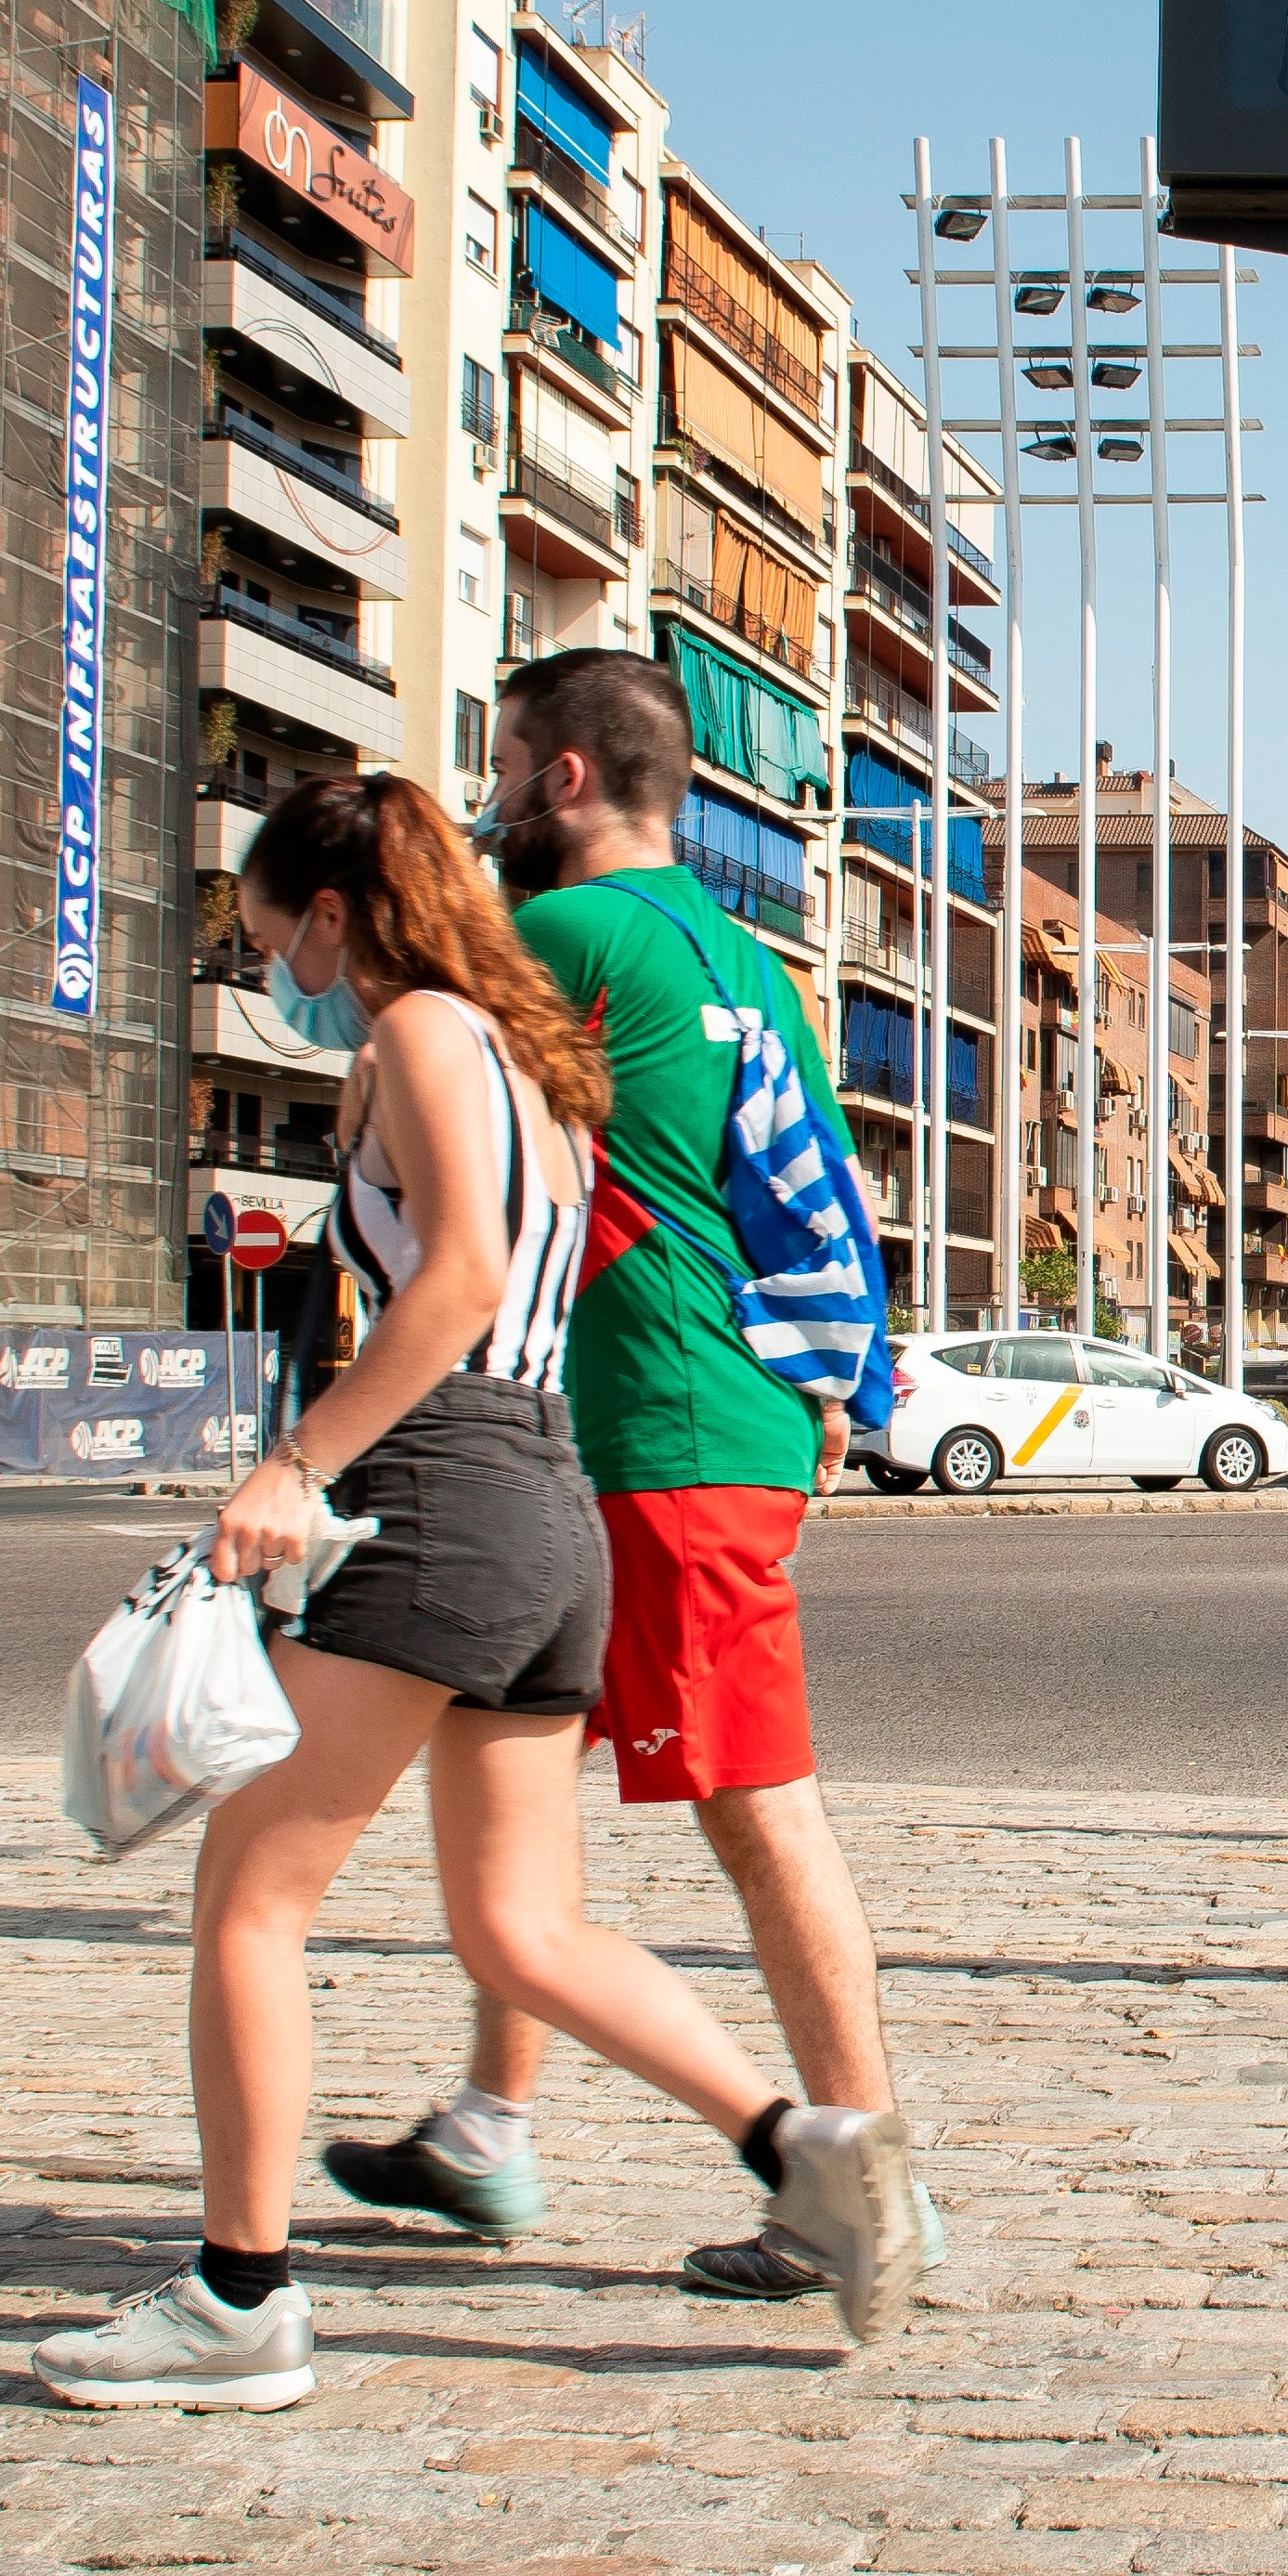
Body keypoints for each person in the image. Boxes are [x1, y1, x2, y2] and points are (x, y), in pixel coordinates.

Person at [32, 776, 905, 2409]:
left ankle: (240, 2302)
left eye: (267, 931)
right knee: (521, 1925)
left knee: (251, 1902)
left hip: (445, 1485)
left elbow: (458, 1281)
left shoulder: (424, 1037)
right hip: (547, 1499)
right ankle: (808, 2156)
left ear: (337, 916)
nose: (266, 964)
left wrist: (297, 1465)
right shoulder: (538, 1067)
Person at [315, 647, 938, 2327]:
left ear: (567, 778)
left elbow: (416, 1083)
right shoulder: (743, 952)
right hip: (696, 1416)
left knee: (756, 1808)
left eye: (504, 764)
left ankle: (860, 2179)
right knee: (501, 1771)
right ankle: (487, 2122)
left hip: (650, 1425)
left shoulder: (561, 941)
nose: (491, 800)